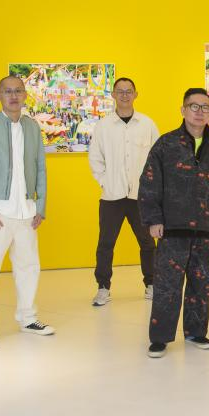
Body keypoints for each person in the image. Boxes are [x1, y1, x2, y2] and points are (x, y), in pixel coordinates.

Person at [138, 87, 209, 358]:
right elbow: (149, 183)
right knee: (167, 286)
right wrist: (153, 219)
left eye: (205, 107)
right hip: (173, 229)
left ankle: (196, 332)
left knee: (201, 284)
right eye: (194, 106)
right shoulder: (166, 144)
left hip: (207, 229)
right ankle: (160, 337)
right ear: (183, 110)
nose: (199, 112)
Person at [0, 75, 53, 347]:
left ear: (25, 95)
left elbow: (40, 167)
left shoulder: (32, 127)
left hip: (27, 212)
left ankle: (28, 318)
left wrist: (40, 206)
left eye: (18, 91)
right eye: (7, 91)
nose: (13, 96)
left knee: (29, 268)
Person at [87, 76, 159, 307]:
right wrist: (105, 182)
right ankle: (103, 287)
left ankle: (152, 284)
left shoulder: (147, 124)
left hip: (141, 196)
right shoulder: (103, 126)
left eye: (129, 91)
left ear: (136, 94)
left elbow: (157, 159)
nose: (125, 95)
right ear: (113, 95)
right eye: (120, 91)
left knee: (147, 242)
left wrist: (152, 188)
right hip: (112, 196)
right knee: (106, 244)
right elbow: (95, 158)